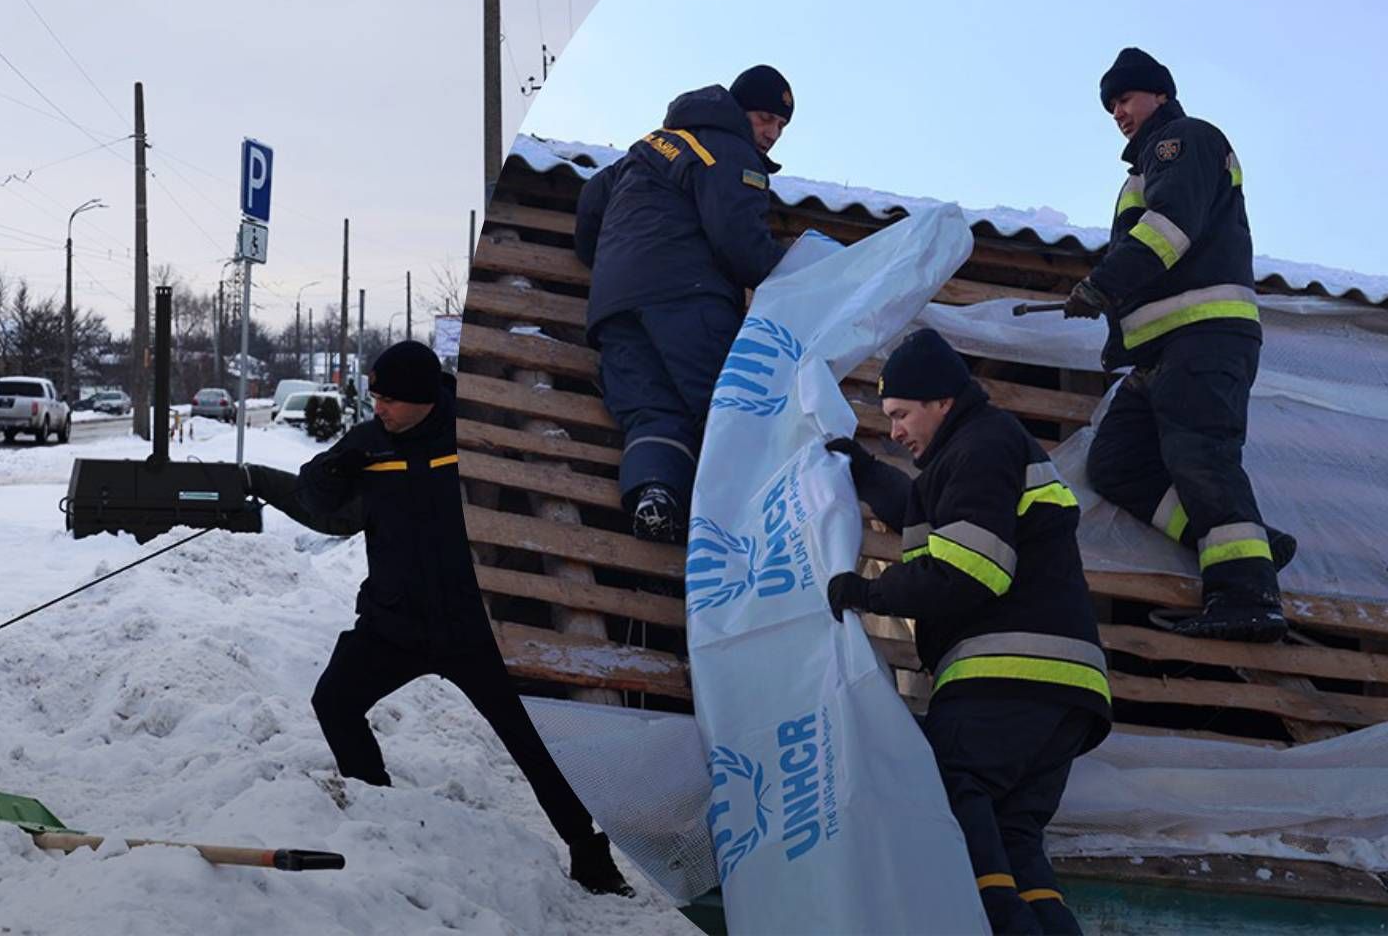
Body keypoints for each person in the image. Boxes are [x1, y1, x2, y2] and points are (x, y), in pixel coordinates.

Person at [296, 340, 632, 897]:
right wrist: (336, 467)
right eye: (375, 396)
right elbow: (316, 497)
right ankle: (378, 810)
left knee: (532, 742)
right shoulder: (372, 442)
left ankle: (590, 854)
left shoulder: (474, 437)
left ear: (424, 398)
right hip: (394, 623)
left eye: (389, 399)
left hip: (476, 629)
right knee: (333, 700)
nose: (378, 407)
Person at [824, 330, 1111, 935]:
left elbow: (969, 566)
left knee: (956, 791)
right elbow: (933, 513)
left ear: (942, 402)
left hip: (1006, 674)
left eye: (901, 414)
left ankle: (1001, 925)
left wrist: (870, 592)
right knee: (1015, 834)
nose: (895, 430)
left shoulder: (981, 446)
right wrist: (866, 473)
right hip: (1065, 688)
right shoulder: (982, 448)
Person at [1064, 48, 1291, 643]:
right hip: (1163, 353)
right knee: (1116, 463)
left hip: (1203, 339)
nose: (1118, 111)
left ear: (1159, 95)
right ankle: (1250, 547)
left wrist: (1101, 285)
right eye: (1111, 103)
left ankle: (1248, 594)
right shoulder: (1145, 166)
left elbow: (1169, 229)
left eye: (1126, 97)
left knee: (1202, 457)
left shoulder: (1182, 141)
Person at [574, 65, 793, 542]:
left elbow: (593, 197)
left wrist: (605, 263)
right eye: (764, 118)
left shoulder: (654, 145)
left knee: (651, 409)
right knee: (722, 409)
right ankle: (739, 528)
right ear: (738, 110)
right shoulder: (731, 152)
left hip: (616, 308)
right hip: (687, 302)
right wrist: (795, 279)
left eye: (780, 126)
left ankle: (658, 496)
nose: (771, 133)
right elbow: (741, 243)